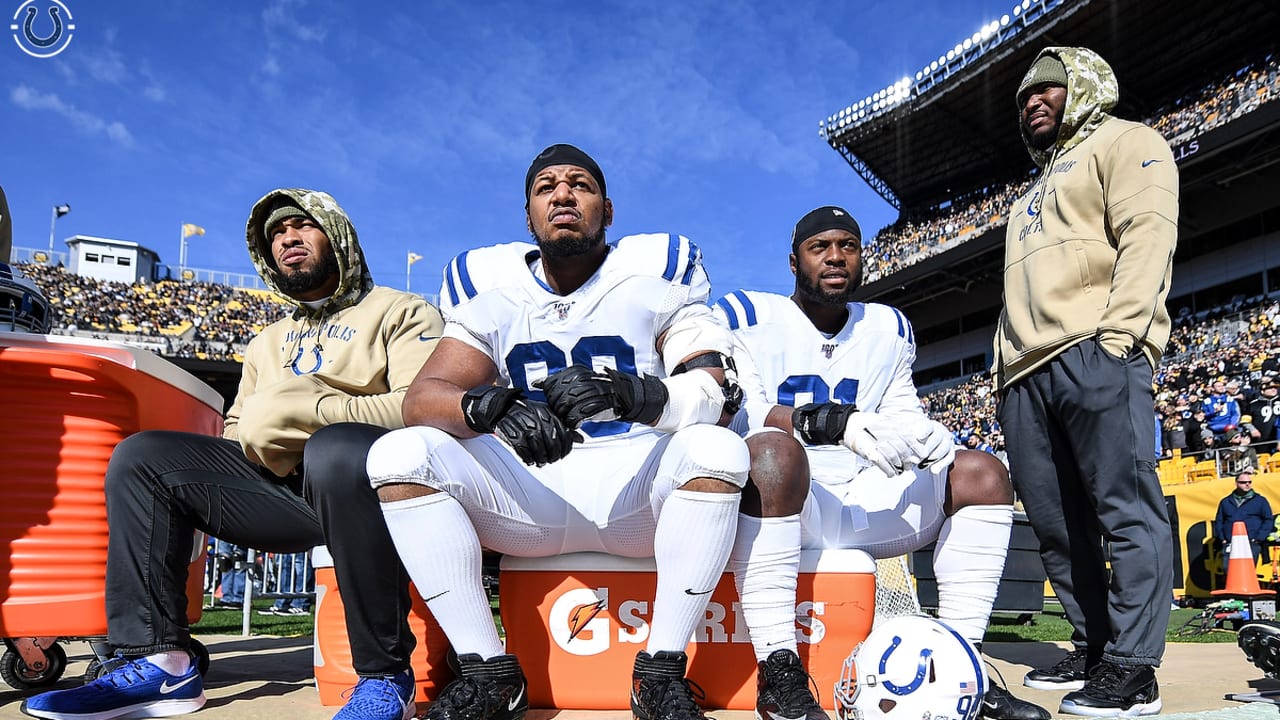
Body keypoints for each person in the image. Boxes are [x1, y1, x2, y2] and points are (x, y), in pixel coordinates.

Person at [21, 188, 444, 720]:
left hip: (364, 486)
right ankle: (160, 664)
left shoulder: (402, 310)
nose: (287, 238)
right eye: (275, 235)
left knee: (334, 449)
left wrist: (308, 408)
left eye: (301, 225)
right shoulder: (267, 342)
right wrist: (269, 432)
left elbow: (420, 407)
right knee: (141, 456)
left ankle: (385, 677)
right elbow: (240, 429)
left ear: (336, 235)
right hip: (282, 491)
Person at [365, 143, 749, 720]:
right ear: (528, 216)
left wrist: (636, 393)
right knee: (398, 454)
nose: (563, 194)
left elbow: (718, 396)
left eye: (580, 185)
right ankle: (489, 671)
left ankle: (661, 671)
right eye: (546, 187)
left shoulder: (657, 285)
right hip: (531, 496)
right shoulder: (493, 302)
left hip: (637, 493)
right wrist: (490, 406)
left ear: (609, 210)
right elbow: (424, 398)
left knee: (716, 448)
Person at [715, 206, 1048, 720]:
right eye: (819, 246)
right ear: (793, 261)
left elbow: (900, 415)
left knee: (981, 473)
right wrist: (824, 423)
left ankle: (963, 665)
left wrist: (923, 436)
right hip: (786, 504)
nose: (834, 257)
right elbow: (744, 416)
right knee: (769, 455)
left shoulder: (887, 328)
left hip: (863, 497)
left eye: (847, 245)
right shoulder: (748, 315)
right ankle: (779, 674)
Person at [994, 47, 1179, 717]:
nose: (1032, 103)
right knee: (1056, 525)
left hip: (1093, 351)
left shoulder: (1126, 140)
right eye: (1023, 99)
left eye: (1047, 89)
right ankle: (1095, 644)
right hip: (1025, 376)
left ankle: (1133, 668)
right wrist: (1001, 377)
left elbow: (1147, 233)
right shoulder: (1024, 198)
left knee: (1124, 508)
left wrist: (1120, 337)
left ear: (1085, 86)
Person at [1213, 470, 1272, 564]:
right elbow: (1219, 521)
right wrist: (1222, 538)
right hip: (1231, 542)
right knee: (1228, 569)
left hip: (1251, 542)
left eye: (1249, 482)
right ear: (1236, 483)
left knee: (1249, 569)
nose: (1247, 484)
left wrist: (1258, 538)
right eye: (1243, 482)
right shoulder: (1225, 502)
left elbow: (1268, 520)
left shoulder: (1260, 501)